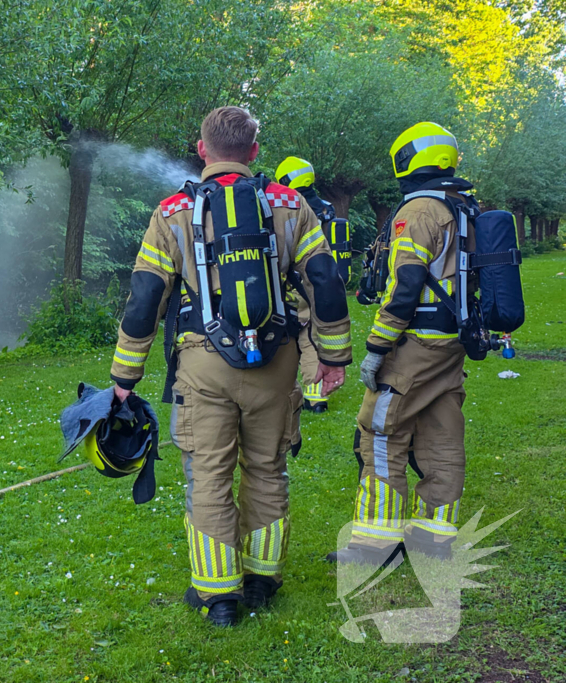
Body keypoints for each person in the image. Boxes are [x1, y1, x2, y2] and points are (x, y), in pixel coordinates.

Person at [110, 106, 352, 626]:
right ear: (255, 153)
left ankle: (220, 596)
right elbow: (325, 282)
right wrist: (332, 356)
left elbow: (145, 295)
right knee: (267, 469)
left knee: (208, 474)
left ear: (202, 150)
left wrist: (124, 378)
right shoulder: (290, 204)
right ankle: (263, 579)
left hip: (203, 364)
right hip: (277, 361)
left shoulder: (172, 210)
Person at [329, 122, 475, 566]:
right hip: (450, 342)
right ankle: (432, 539)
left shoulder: (420, 210)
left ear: (408, 158)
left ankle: (375, 547)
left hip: (414, 345)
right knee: (442, 436)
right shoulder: (464, 206)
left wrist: (378, 344)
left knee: (379, 433)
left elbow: (407, 282)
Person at [275, 157, 347, 416]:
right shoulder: (326, 208)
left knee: (303, 336)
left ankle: (313, 395)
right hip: (322, 281)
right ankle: (308, 390)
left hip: (296, 283)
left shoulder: (290, 207)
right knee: (313, 333)